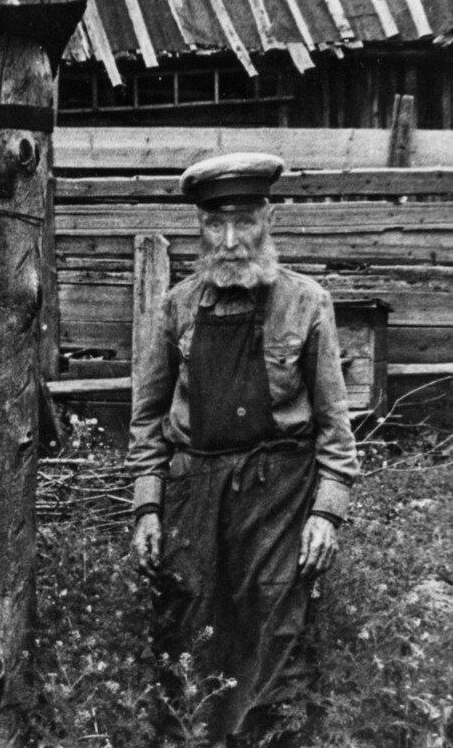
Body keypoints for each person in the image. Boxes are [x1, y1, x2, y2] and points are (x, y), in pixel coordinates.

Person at [126, 153, 359, 746]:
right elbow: (148, 418)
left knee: (276, 633)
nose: (230, 241)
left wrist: (327, 512)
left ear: (268, 219)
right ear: (200, 227)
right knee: (186, 628)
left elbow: (334, 424)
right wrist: (148, 506)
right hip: (194, 494)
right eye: (215, 223)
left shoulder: (307, 303)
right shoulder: (176, 307)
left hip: (278, 494)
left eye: (244, 221)